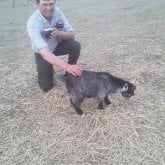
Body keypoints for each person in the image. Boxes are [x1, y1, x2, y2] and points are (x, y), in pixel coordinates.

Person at [27, 0, 82, 92]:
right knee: (46, 87)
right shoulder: (33, 23)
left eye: (51, 4)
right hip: (43, 54)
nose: (49, 8)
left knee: (75, 45)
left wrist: (60, 33)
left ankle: (69, 74)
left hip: (57, 45)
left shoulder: (57, 11)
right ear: (37, 4)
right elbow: (45, 53)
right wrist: (67, 66)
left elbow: (72, 35)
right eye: (44, 4)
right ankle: (48, 69)